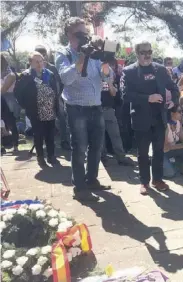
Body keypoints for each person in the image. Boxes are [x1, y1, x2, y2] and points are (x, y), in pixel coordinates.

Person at [55, 17, 112, 202]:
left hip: (96, 107)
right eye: (78, 34)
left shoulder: (93, 52)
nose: (83, 37)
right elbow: (66, 78)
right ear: (68, 35)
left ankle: (92, 179)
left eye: (85, 34)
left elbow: (106, 78)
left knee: (96, 147)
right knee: (79, 148)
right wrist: (82, 56)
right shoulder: (62, 53)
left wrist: (105, 60)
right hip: (76, 108)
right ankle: (79, 188)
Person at [121, 41, 179, 195]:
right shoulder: (129, 71)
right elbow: (126, 95)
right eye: (143, 52)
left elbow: (174, 88)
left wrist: (173, 100)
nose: (147, 55)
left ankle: (157, 180)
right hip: (141, 119)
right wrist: (148, 98)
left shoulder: (160, 69)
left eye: (149, 52)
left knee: (159, 151)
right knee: (143, 153)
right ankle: (144, 182)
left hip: (159, 118)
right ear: (137, 53)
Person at [14, 52, 59, 167]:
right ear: (30, 63)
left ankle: (51, 155)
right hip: (35, 111)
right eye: (36, 62)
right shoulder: (26, 76)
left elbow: (56, 88)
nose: (39, 64)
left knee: (50, 134)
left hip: (50, 110)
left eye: (41, 61)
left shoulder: (49, 74)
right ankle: (40, 157)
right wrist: (26, 106)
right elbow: (18, 93)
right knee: (38, 134)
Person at [35, 45, 71, 151]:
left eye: (43, 55)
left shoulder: (52, 68)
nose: (42, 58)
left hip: (56, 97)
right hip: (40, 100)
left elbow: (60, 82)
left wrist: (58, 95)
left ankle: (64, 141)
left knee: (62, 118)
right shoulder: (32, 69)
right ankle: (44, 145)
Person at [101, 58, 134, 166]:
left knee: (115, 134)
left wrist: (109, 82)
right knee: (100, 136)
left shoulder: (111, 75)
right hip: (96, 109)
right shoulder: (94, 74)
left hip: (109, 109)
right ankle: (103, 157)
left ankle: (121, 157)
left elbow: (114, 93)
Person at [163, 104, 183, 178]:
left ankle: (182, 167)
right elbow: (165, 147)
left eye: (182, 111)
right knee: (169, 174)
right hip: (162, 152)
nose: (182, 113)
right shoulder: (166, 126)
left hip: (171, 150)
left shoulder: (178, 123)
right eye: (179, 111)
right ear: (171, 113)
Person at [0, 55, 19, 153]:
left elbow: (3, 90)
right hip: (1, 101)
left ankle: (15, 145)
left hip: (8, 101)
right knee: (3, 124)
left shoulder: (10, 75)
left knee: (11, 124)